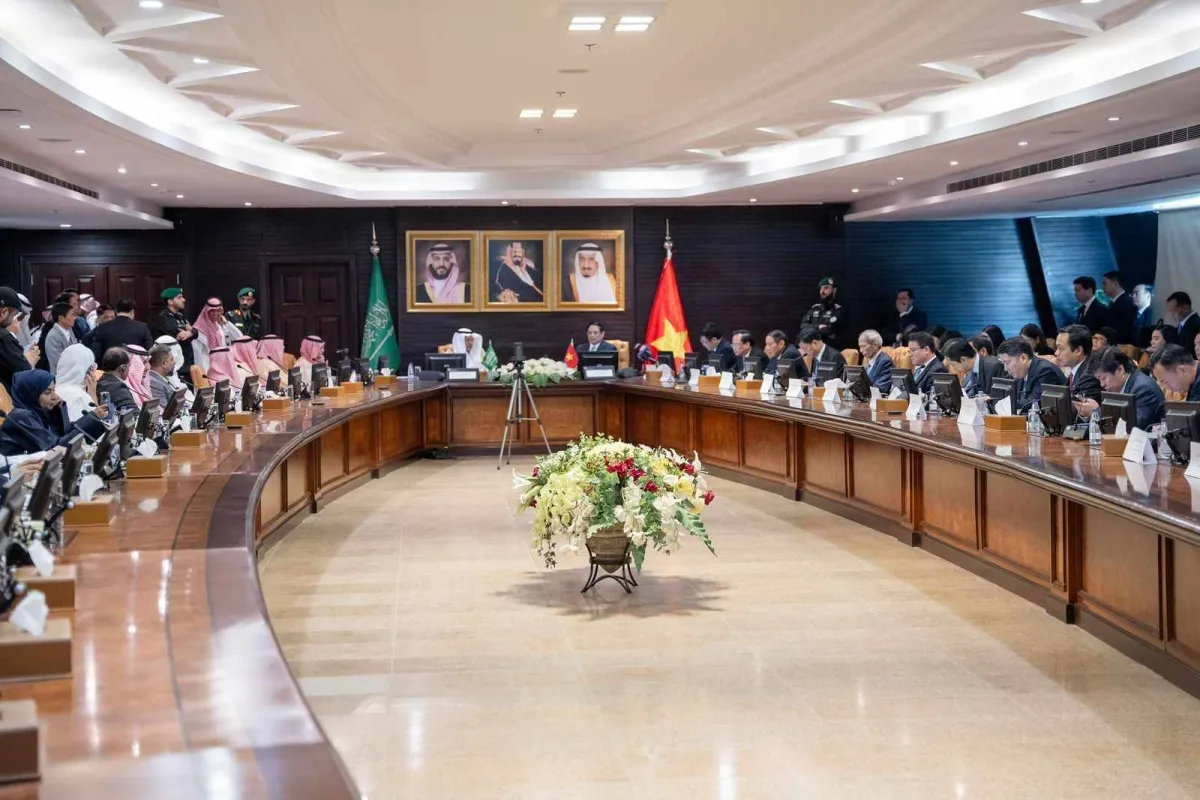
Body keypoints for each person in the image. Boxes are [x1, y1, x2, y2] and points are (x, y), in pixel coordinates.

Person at [0, 370, 108, 457]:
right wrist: (91, 418)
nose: (55, 397)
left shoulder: (40, 413)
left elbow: (63, 436)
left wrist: (60, 411)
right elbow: (56, 449)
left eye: (53, 390)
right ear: (31, 393)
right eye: (47, 392)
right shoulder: (20, 417)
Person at [1076, 347, 1165, 430]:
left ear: (1120, 369)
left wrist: (1097, 412)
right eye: (1099, 379)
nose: (1102, 384)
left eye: (1104, 378)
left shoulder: (1143, 389)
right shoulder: (1116, 388)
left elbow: (1134, 428)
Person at [996, 337, 1066, 412]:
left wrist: (1002, 404)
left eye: (1007, 363)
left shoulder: (1045, 371)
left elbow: (1033, 404)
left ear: (1023, 358)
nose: (1005, 369)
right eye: (1003, 363)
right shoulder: (1021, 371)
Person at [87, 297, 153, 362]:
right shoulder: (142, 327)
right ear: (132, 311)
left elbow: (97, 354)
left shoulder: (102, 327)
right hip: (136, 367)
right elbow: (149, 350)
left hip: (110, 367)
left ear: (116, 311)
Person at [1053, 325, 1102, 407]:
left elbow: (1080, 410)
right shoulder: (1076, 370)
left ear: (1078, 350)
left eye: (1060, 348)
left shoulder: (1089, 376)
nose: (1056, 353)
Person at [941, 337, 1007, 397]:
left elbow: (999, 397)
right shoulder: (969, 369)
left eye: (953, 364)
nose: (954, 367)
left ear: (963, 359)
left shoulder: (995, 367)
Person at [0, 287, 36, 392]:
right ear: (4, 312)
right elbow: (24, 373)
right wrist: (28, 360)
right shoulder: (5, 338)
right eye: (14, 315)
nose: (14, 320)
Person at [191, 297, 241, 372]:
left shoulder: (223, 326)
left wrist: (227, 323)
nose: (215, 314)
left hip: (226, 368)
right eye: (212, 311)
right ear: (207, 311)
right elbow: (198, 355)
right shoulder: (200, 329)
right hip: (210, 370)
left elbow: (239, 337)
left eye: (218, 310)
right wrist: (204, 375)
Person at [53, 343, 98, 423]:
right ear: (88, 371)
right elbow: (96, 424)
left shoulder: (53, 390)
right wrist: (92, 394)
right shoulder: (80, 396)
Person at [154, 288, 195, 374]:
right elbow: (179, 336)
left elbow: (196, 333)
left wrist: (190, 333)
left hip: (186, 359)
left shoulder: (180, 316)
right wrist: (190, 332)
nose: (184, 300)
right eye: (179, 297)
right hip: (174, 361)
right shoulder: (164, 317)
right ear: (170, 301)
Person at [800, 277, 847, 348]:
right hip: (812, 348)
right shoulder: (815, 308)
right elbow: (803, 326)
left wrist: (810, 329)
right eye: (821, 289)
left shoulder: (839, 310)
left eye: (826, 288)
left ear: (834, 290)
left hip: (830, 348)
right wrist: (818, 327)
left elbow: (829, 330)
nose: (822, 291)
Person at [96, 347, 138, 415]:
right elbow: (135, 414)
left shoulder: (103, 381)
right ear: (123, 368)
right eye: (129, 366)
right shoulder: (117, 387)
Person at [39, 301, 77, 374]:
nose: (74, 318)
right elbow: (59, 362)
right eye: (72, 315)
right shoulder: (53, 336)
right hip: (61, 376)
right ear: (61, 318)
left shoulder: (70, 329)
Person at [1103, 271, 1136, 345]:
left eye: (1105, 283)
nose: (1103, 287)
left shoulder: (1126, 303)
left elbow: (1125, 330)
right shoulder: (1114, 302)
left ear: (1115, 284)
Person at [858, 329, 893, 394]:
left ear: (875, 345)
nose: (860, 350)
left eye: (863, 346)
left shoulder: (885, 362)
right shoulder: (868, 360)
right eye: (860, 347)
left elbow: (880, 388)